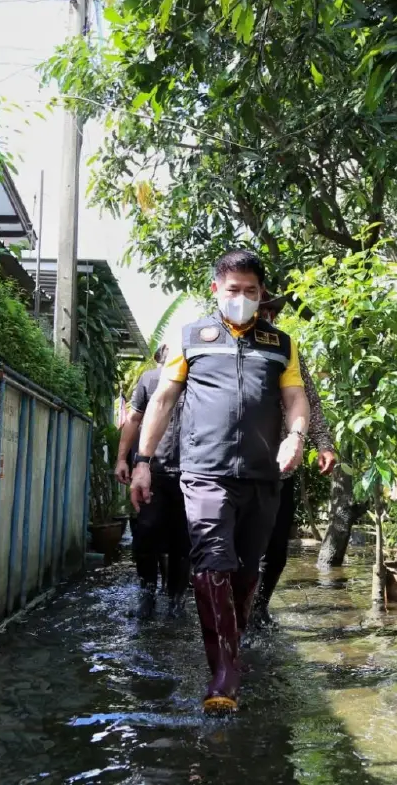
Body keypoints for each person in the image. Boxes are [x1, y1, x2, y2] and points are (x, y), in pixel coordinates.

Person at [131, 250, 310, 714]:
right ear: (216, 289)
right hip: (205, 472)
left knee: (246, 570)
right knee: (212, 563)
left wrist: (295, 437)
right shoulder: (191, 337)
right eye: (233, 290)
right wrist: (143, 462)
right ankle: (224, 674)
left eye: (251, 291)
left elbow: (296, 398)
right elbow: (162, 401)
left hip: (263, 475)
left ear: (261, 293)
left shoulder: (281, 344)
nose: (242, 298)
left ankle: (232, 643)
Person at [249, 293, 337, 631]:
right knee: (237, 547)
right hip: (235, 469)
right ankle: (234, 612)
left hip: (281, 469)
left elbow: (309, 401)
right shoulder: (227, 351)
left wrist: (323, 444)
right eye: (261, 311)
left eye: (269, 312)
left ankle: (258, 609)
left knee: (275, 550)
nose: (265, 317)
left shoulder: (286, 352)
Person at [115, 344, 190, 620]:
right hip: (153, 471)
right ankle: (146, 595)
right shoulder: (150, 379)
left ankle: (177, 600)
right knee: (146, 534)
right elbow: (133, 419)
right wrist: (122, 459)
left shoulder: (201, 378)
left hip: (192, 472)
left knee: (184, 540)